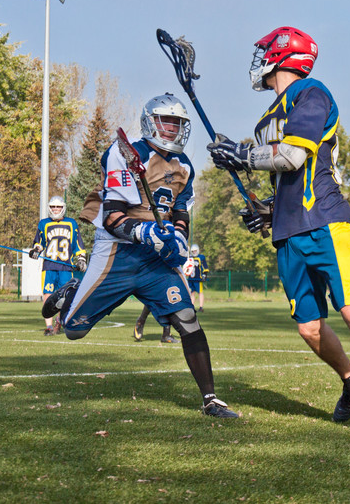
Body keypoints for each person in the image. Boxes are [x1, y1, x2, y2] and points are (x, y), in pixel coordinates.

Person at [207, 26, 350, 438]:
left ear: (282, 56)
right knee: (309, 327)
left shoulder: (312, 93)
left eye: (265, 53)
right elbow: (283, 181)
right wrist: (268, 211)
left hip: (327, 223)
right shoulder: (266, 118)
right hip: (290, 232)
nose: (259, 63)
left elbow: (293, 157)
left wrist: (239, 156)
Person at [43, 93, 238, 419]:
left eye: (178, 123)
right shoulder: (126, 154)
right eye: (167, 120)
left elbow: (181, 214)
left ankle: (210, 400)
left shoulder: (184, 166)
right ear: (151, 121)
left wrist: (176, 236)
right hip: (117, 251)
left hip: (154, 260)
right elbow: (112, 217)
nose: (173, 128)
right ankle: (71, 293)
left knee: (187, 319)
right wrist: (146, 232)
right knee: (74, 329)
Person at [30, 195, 86, 336]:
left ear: (63, 208)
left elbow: (77, 244)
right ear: (49, 208)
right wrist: (35, 251)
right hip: (49, 265)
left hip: (66, 266)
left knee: (65, 297)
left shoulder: (71, 223)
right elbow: (39, 243)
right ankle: (48, 327)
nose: (56, 209)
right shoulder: (43, 223)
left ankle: (59, 322)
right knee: (47, 296)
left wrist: (81, 258)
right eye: (53, 207)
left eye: (58, 207)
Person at [186, 244, 208, 312]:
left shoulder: (201, 257)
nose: (194, 252)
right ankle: (192, 306)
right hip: (191, 279)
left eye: (195, 251)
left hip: (198, 279)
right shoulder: (190, 258)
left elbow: (205, 267)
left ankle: (201, 307)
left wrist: (204, 274)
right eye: (193, 251)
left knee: (200, 292)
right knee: (192, 293)